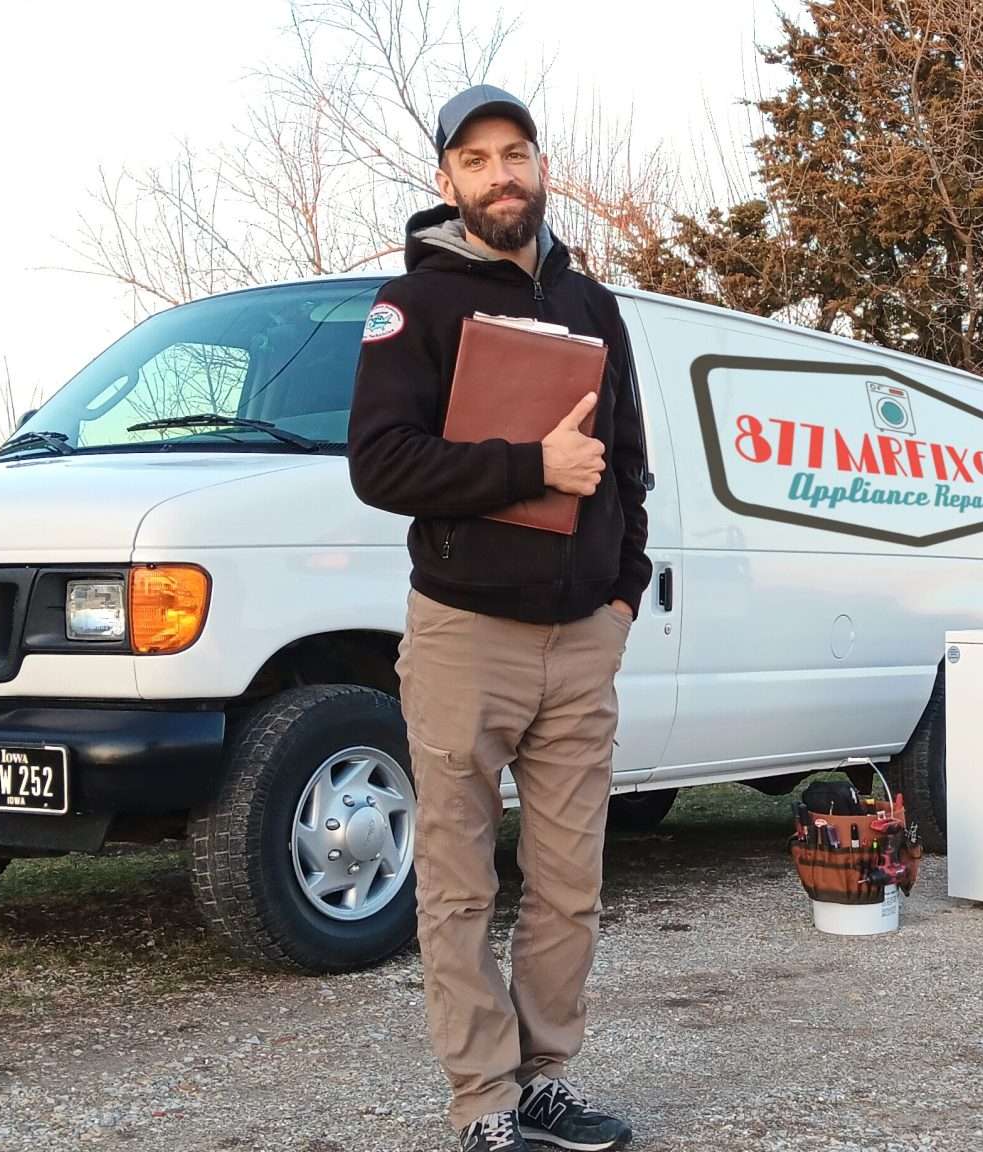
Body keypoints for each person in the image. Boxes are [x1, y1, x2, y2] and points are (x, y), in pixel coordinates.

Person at [346, 84, 649, 1152]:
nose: (500, 175)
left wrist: (622, 593)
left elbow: (633, 472)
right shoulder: (412, 306)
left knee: (570, 891)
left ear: (540, 166)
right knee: (461, 887)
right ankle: (483, 1103)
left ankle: (547, 1079)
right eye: (474, 161)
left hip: (581, 645)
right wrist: (532, 466)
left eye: (515, 153)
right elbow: (380, 464)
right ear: (446, 183)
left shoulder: (594, 306)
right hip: (463, 636)